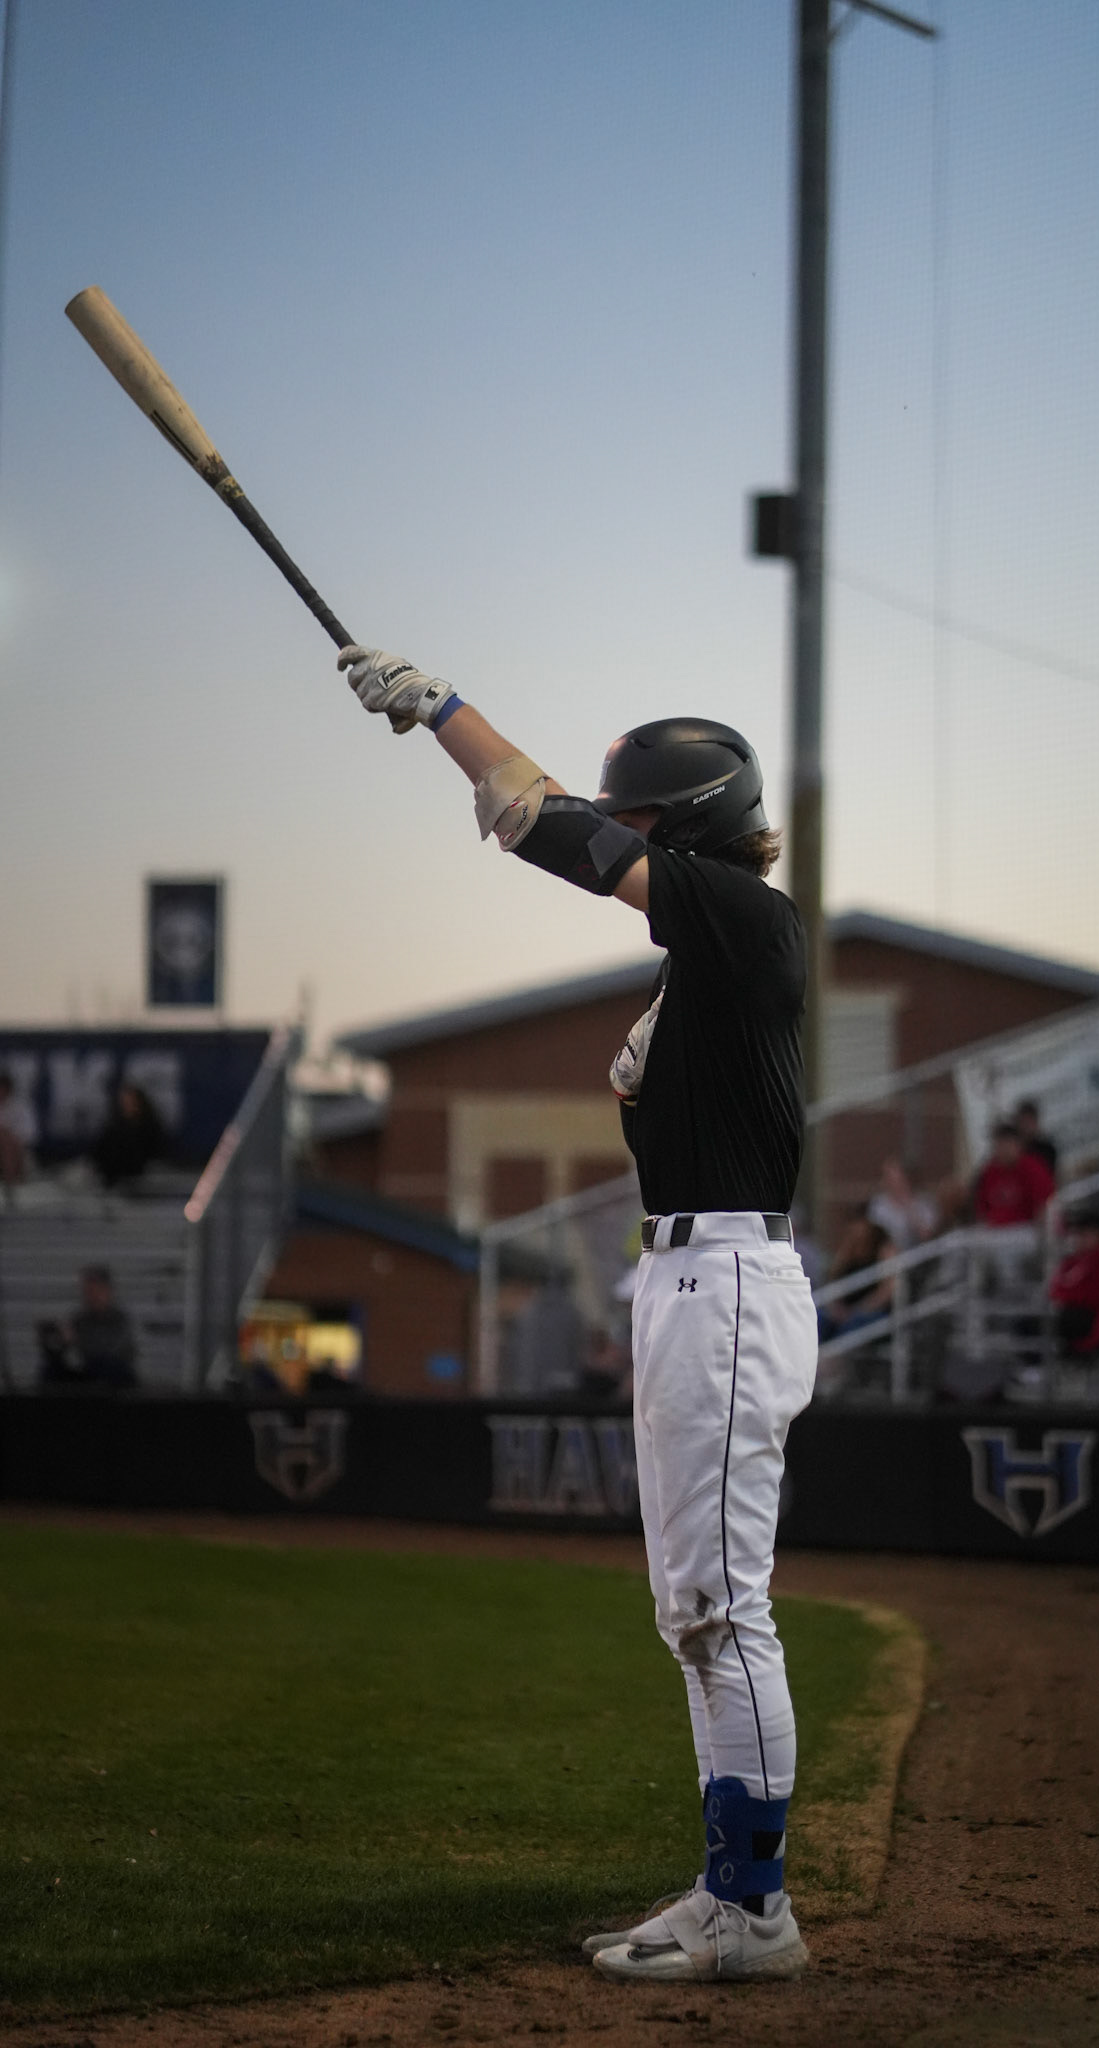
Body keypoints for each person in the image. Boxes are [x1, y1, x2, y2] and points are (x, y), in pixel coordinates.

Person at [337, 645, 816, 1985]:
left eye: (648, 818)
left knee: (722, 1608)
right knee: (694, 1611)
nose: (630, 838)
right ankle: (732, 1890)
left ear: (699, 823)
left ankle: (754, 1911)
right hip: (689, 1279)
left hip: (726, 1282)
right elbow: (573, 829)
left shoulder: (748, 915)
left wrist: (443, 714)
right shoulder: (702, 960)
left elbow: (558, 830)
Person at [39, 1265, 138, 1389]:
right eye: (87, 1292)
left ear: (107, 1291)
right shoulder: (80, 1319)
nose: (91, 1296)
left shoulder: (120, 1319)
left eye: (95, 1291)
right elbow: (65, 1354)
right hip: (89, 1373)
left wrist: (76, 1339)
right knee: (51, 1370)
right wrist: (55, 1341)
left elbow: (108, 1350)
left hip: (115, 1376)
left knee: (108, 1366)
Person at [1048, 1211, 1099, 1356]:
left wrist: (1069, 1297)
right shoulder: (1071, 1261)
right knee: (1032, 1320)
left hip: (1094, 1318)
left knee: (1049, 1322)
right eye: (1076, 1234)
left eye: (1083, 1233)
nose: (1078, 1239)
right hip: (1069, 1312)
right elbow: (1055, 1289)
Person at [816, 1210, 895, 1344]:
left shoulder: (883, 1250)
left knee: (851, 1326)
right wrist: (836, 1308)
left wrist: (856, 1311)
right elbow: (834, 1282)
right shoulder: (848, 1250)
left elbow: (886, 1292)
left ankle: (833, 1356)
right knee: (819, 1318)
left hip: (871, 1311)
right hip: (845, 1310)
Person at [972, 1121, 1056, 1228]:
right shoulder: (989, 1172)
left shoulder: (1033, 1168)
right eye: (999, 1146)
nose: (1003, 1151)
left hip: (1027, 1228)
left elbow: (1046, 1204)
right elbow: (982, 1210)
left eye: (1007, 1145)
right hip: (997, 1230)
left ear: (1018, 1145)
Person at [90, 1083, 165, 1190]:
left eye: (131, 1102)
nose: (127, 1106)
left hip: (141, 1181)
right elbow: (100, 1155)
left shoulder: (150, 1128)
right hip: (112, 1182)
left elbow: (152, 1157)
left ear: (140, 1103)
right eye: (124, 1102)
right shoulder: (113, 1129)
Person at [866, 1157, 938, 1251]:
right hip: (888, 1256)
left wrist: (909, 1207)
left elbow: (927, 1236)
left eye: (898, 1178)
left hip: (918, 1255)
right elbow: (872, 1238)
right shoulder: (878, 1205)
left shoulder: (925, 1203)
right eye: (889, 1178)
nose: (895, 1183)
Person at [0, 1071, 38, 1188]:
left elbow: (30, 1134)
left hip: (17, 1149)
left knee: (6, 1141)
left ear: (9, 1090)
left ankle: (12, 1183)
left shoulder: (21, 1107)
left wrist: (8, 1136)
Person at [1013, 1099, 1058, 1179]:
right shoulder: (1014, 1152)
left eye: (1029, 1121)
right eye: (1023, 1122)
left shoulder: (1047, 1149)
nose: (1026, 1126)